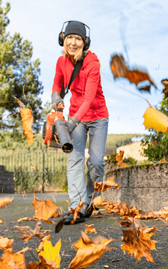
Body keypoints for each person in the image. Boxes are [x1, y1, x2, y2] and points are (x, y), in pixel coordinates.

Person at [51, 21, 109, 225]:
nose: (73, 42)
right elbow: (57, 84)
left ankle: (90, 201)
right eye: (69, 38)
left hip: (97, 116)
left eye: (77, 39)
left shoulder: (93, 64)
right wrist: (55, 98)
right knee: (74, 159)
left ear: (85, 42)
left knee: (95, 163)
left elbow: (89, 98)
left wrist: (72, 122)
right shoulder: (61, 62)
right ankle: (77, 207)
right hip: (75, 115)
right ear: (63, 40)